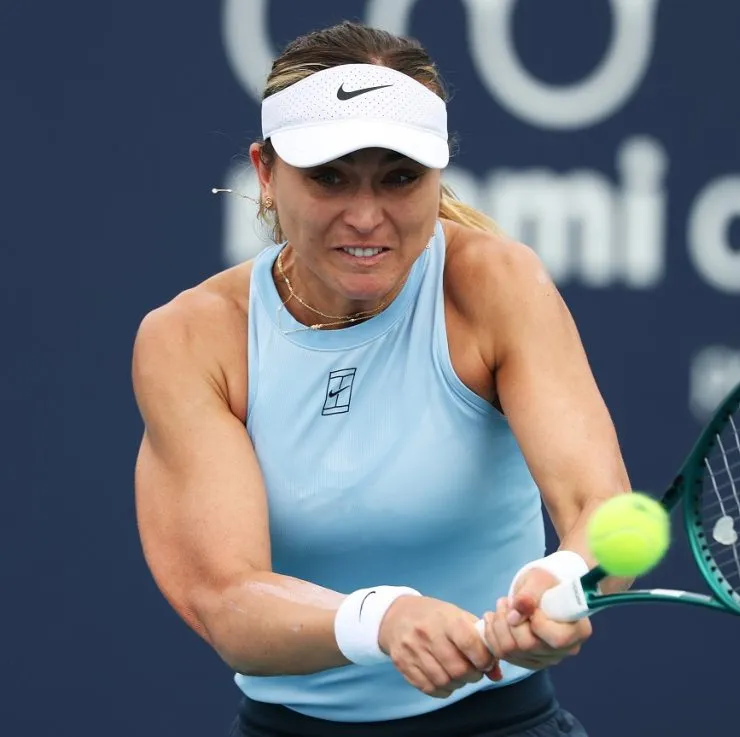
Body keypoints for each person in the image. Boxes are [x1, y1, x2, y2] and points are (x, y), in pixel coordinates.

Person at [131, 19, 634, 737]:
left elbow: (601, 508)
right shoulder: (189, 339)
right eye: (329, 176)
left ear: (439, 176)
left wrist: (562, 585)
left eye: (399, 177)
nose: (366, 218)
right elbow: (226, 599)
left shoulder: (495, 282)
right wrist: (381, 618)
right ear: (266, 173)